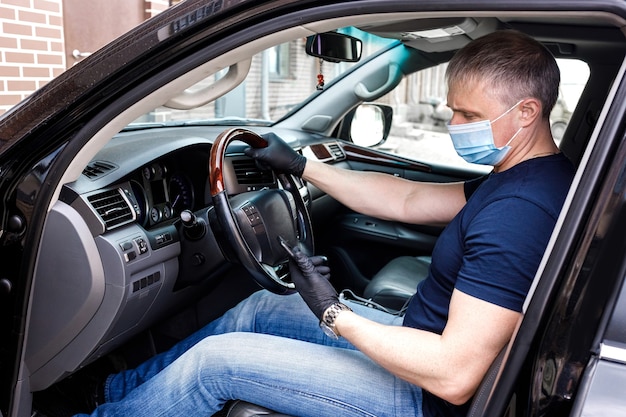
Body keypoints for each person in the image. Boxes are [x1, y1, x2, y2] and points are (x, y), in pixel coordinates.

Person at [63, 29, 573, 417]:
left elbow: (454, 375)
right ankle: (110, 392)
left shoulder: (521, 210)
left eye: (466, 114)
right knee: (261, 307)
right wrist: (304, 166)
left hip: (423, 397)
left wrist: (334, 312)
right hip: (419, 341)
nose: (453, 125)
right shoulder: (522, 177)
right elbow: (410, 198)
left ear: (526, 112)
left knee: (217, 362)